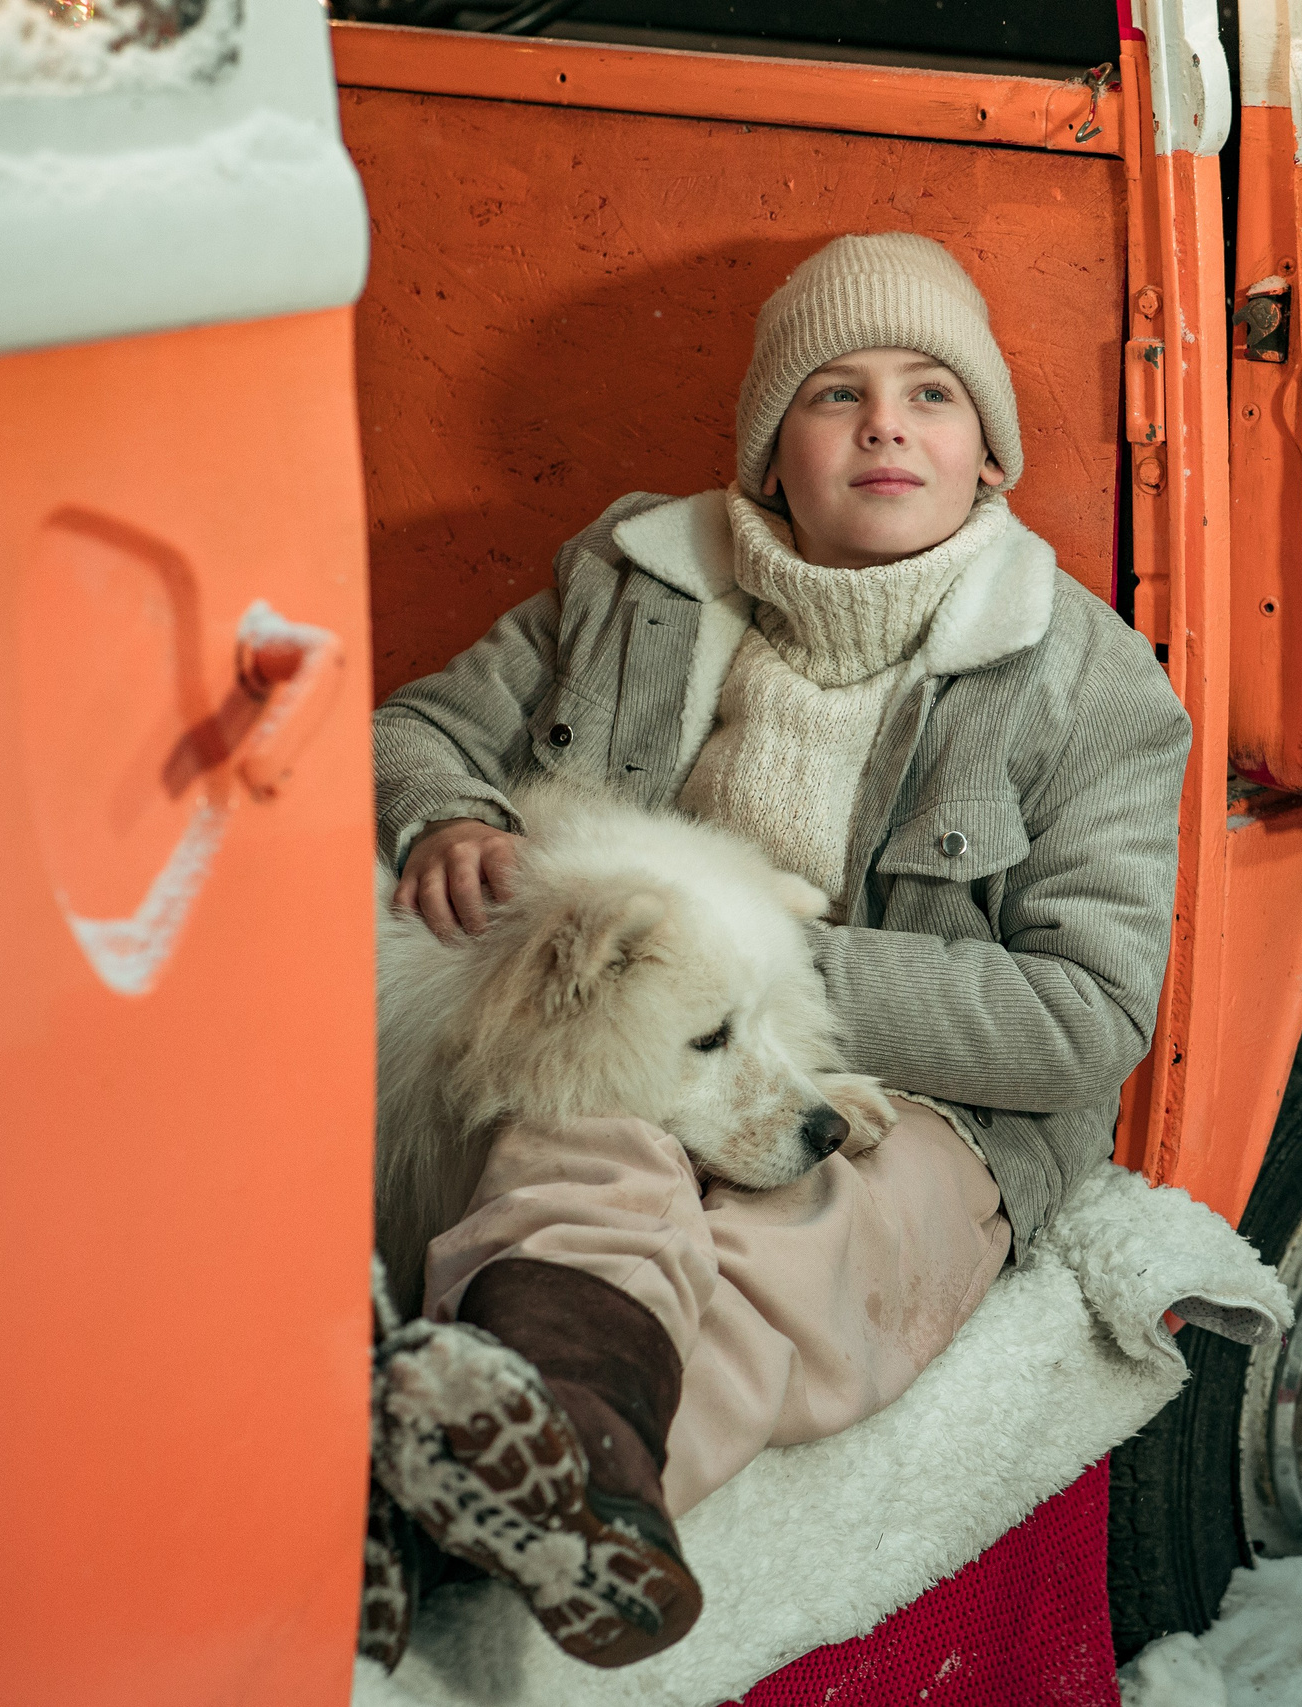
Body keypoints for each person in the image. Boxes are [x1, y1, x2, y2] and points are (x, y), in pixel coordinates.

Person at [358, 232, 1189, 1671]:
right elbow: (416, 727)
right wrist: (447, 814)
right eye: (835, 393)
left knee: (805, 1242)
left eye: (932, 393)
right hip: (651, 1034)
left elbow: (1087, 1014)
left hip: (925, 1097)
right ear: (767, 455)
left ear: (988, 452)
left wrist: (771, 975)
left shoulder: (1087, 681)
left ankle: (546, 1506)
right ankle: (538, 1428)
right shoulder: (634, 586)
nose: (886, 426)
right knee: (574, 1172)